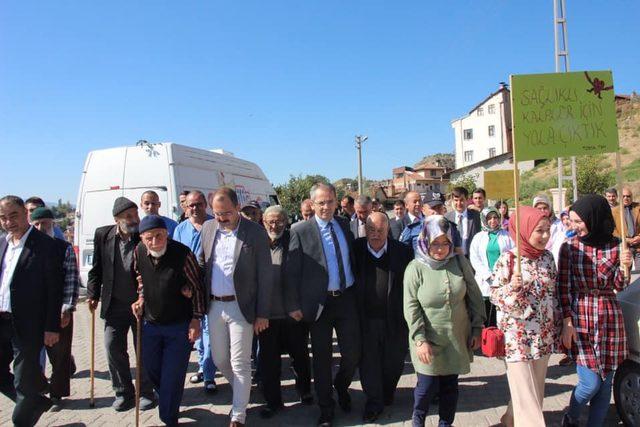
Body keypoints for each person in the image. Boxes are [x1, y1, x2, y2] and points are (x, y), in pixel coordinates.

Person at [285, 183, 360, 427]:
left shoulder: (344, 225)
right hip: (319, 305)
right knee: (322, 359)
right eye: (320, 203)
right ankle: (326, 408)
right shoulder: (300, 230)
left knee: (352, 353)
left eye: (329, 201)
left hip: (346, 299)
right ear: (312, 204)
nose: (325, 207)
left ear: (336, 201)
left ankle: (341, 385)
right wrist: (294, 304)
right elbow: (292, 272)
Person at [198, 187, 274, 426]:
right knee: (220, 360)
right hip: (214, 307)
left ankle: (238, 413)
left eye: (226, 213)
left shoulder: (255, 232)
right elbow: (203, 262)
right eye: (217, 213)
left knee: (240, 362)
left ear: (238, 207)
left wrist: (263, 313)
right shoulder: (209, 229)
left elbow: (266, 276)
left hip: (242, 307)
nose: (221, 218)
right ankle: (243, 389)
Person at [403, 215, 485, 427]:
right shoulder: (415, 268)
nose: (440, 249)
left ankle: (445, 423)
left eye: (445, 243)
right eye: (435, 244)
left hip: (456, 336)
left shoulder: (459, 262)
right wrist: (420, 339)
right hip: (427, 338)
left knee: (450, 385)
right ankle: (418, 420)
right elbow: (410, 307)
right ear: (425, 241)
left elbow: (474, 296)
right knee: (426, 386)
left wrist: (477, 328)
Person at [558, 195, 633, 427]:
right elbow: (563, 287)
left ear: (595, 217)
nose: (575, 226)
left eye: (578, 221)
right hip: (582, 316)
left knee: (605, 386)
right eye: (571, 221)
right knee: (590, 384)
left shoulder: (617, 245)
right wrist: (566, 322)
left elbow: (620, 285)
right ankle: (571, 416)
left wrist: (626, 266)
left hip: (610, 316)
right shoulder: (569, 248)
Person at [130, 215, 205, 426]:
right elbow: (141, 279)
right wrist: (141, 299)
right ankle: (169, 400)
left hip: (179, 326)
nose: (155, 242)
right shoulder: (139, 252)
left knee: (172, 375)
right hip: (150, 324)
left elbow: (197, 286)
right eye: (149, 238)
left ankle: (169, 416)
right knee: (152, 370)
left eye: (159, 236)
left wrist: (196, 320)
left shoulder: (182, 254)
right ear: (142, 239)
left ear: (167, 234)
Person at [490, 207, 560, 427]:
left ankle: (510, 419)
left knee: (535, 389)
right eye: (539, 231)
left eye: (547, 230)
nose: (545, 236)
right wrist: (511, 286)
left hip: (543, 334)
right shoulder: (508, 260)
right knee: (526, 395)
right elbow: (494, 295)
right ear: (524, 230)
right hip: (516, 338)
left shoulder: (547, 258)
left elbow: (553, 293)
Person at [86, 196, 155, 411]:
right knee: (112, 346)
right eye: (129, 216)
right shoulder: (103, 235)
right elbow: (96, 268)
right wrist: (92, 293)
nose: (135, 219)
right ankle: (123, 392)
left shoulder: (143, 235)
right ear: (117, 219)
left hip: (140, 304)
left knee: (142, 350)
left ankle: (146, 392)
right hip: (114, 304)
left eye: (136, 215)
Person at [0, 196, 63, 426]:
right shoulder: (2, 243)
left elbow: (53, 289)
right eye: (3, 218)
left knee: (23, 381)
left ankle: (24, 414)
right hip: (2, 320)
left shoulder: (45, 245)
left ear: (25, 213)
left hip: (28, 325)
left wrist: (51, 327)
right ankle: (33, 401)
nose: (8, 222)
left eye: (13, 216)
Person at [354, 212, 413, 423]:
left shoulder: (403, 251)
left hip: (395, 319)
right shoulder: (356, 249)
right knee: (369, 363)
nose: (376, 235)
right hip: (366, 319)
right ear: (365, 230)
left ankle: (387, 393)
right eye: (371, 230)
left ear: (388, 230)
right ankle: (373, 402)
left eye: (380, 230)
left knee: (394, 363)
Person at [257, 206, 313, 419]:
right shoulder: (258, 243)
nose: (275, 225)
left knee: (299, 356)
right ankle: (273, 401)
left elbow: (300, 275)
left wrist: (297, 306)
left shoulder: (294, 240)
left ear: (286, 221)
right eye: (271, 221)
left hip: (293, 314)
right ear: (263, 221)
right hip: (266, 316)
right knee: (269, 362)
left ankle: (305, 390)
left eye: (280, 221)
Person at [30, 207, 80, 408]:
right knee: (29, 355)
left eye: (46, 223)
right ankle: (40, 386)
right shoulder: (26, 248)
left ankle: (56, 394)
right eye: (37, 224)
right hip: (32, 311)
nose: (41, 228)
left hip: (59, 310)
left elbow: (71, 279)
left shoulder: (63, 248)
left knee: (59, 355)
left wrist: (67, 308)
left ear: (53, 225)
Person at [173, 191, 217, 393]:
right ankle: (201, 366)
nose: (195, 208)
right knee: (196, 333)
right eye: (191, 205)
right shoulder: (180, 229)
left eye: (199, 204)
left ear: (205, 205)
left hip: (210, 287)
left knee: (208, 332)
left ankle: (209, 375)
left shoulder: (214, 225)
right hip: (188, 291)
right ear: (185, 207)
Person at [469, 207, 513, 327]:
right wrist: (488, 275)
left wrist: (502, 275)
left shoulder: (507, 236)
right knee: (487, 316)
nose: (492, 221)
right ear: (484, 219)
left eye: (495, 217)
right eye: (489, 218)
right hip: (485, 282)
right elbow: (475, 259)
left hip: (503, 281)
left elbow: (512, 255)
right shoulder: (478, 237)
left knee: (501, 314)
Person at [445, 187, 481, 257]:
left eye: (461, 200)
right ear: (452, 200)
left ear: (467, 200)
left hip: (472, 257)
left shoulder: (475, 216)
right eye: (456, 200)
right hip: (453, 258)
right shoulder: (447, 217)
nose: (459, 203)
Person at [532, 194, 566, 264]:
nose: (542, 211)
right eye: (539, 208)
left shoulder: (559, 224)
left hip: (555, 260)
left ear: (550, 209)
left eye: (545, 208)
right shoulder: (531, 225)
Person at [612, 187, 640, 266]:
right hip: (624, 247)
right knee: (625, 273)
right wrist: (625, 239)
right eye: (623, 196)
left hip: (638, 245)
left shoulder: (638, 208)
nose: (626, 198)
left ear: (632, 197)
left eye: (628, 196)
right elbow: (613, 230)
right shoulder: (613, 211)